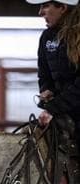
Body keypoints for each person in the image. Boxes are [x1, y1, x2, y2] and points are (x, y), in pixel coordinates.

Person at [26, 0, 80, 148]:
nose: (40, 12)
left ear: (62, 7)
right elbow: (44, 74)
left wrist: (52, 108)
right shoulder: (47, 37)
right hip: (63, 111)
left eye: (45, 6)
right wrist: (46, 90)